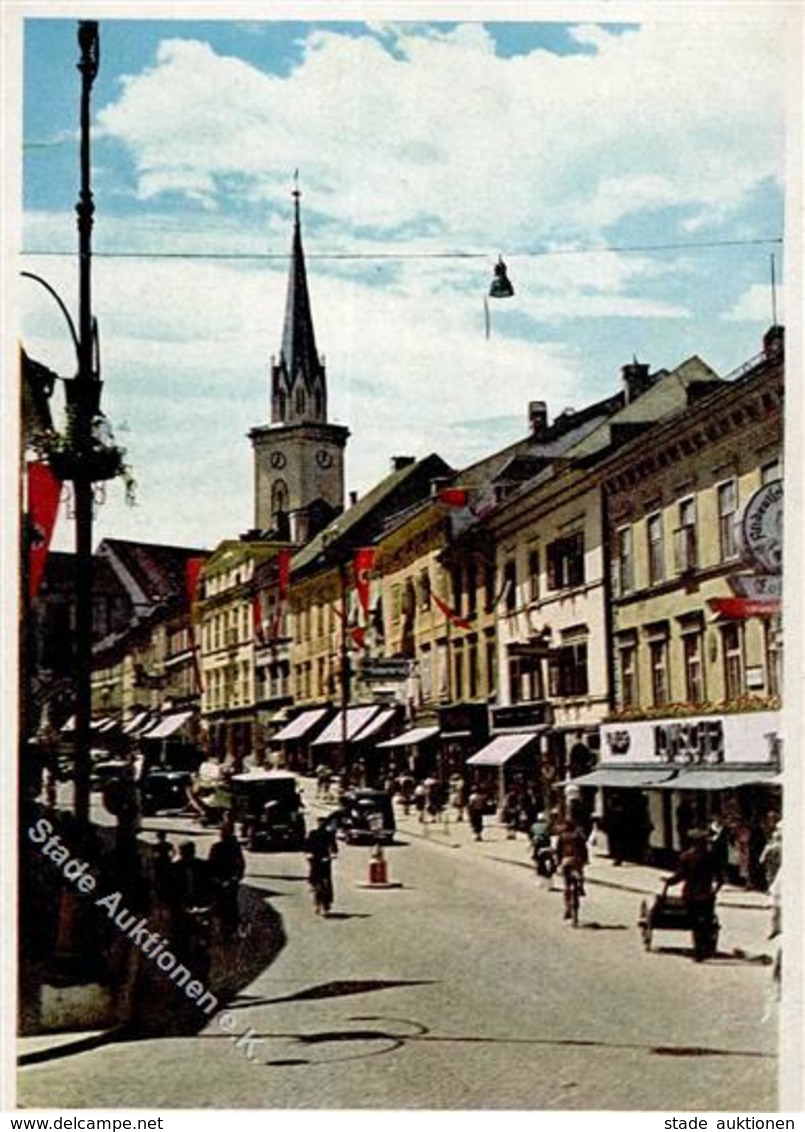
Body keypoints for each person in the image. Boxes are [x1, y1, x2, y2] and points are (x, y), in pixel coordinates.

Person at [664, 829, 722, 961]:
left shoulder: (686, 857)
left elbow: (680, 876)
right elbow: (720, 878)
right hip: (706, 895)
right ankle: (705, 947)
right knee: (706, 922)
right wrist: (714, 891)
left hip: (690, 895)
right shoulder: (711, 857)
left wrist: (669, 882)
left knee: (696, 924)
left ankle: (699, 950)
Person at [208, 818, 246, 938]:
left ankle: (230, 928)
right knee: (228, 905)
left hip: (226, 880)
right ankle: (228, 928)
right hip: (224, 880)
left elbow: (239, 863)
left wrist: (236, 877)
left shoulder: (221, 847)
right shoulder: (231, 847)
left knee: (227, 906)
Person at [554, 818, 588, 920]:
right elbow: (584, 849)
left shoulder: (562, 837)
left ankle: (567, 907)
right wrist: (585, 860)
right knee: (580, 873)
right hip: (577, 860)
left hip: (566, 861)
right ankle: (581, 887)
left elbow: (558, 851)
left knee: (567, 885)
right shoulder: (578, 836)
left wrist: (558, 862)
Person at [305, 816, 338, 914]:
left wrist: (333, 854)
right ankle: (313, 886)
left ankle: (327, 903)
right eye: (319, 822)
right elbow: (307, 845)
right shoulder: (313, 833)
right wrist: (309, 854)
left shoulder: (329, 834)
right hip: (315, 857)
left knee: (327, 880)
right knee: (314, 875)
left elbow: (333, 846)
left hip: (325, 858)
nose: (321, 824)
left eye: (323, 823)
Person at [529, 811, 555, 886]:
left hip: (537, 846)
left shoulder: (534, 826)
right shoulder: (547, 826)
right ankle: (548, 878)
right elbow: (551, 834)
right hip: (546, 845)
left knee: (537, 861)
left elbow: (531, 835)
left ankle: (539, 879)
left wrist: (531, 843)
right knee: (549, 860)